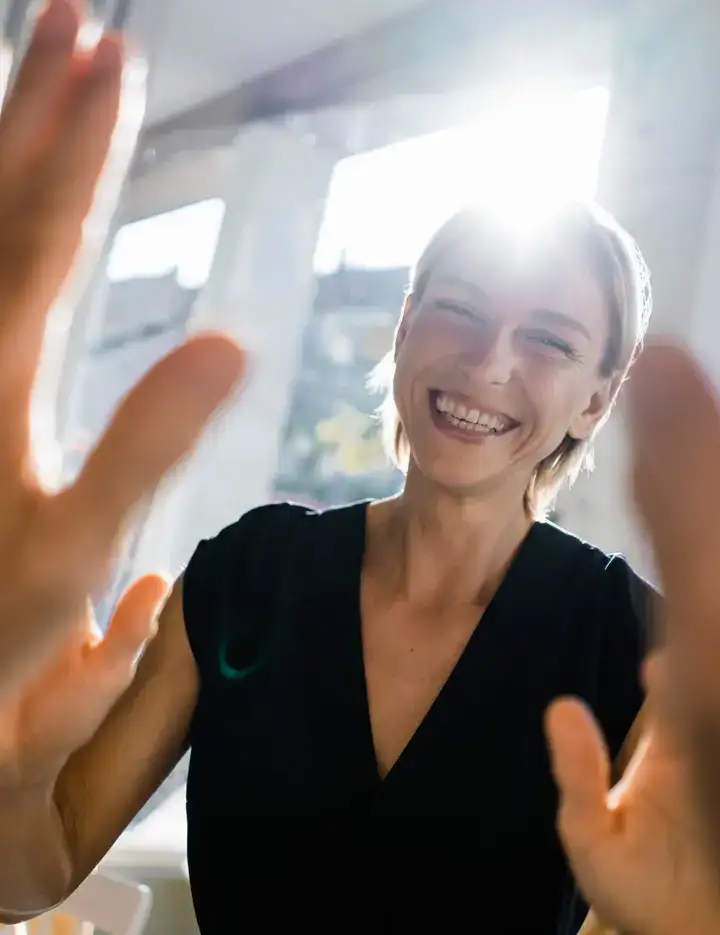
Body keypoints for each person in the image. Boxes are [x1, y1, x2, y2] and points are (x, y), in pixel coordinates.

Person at [1, 3, 720, 935]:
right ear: (407, 324)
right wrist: (13, 774)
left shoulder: (641, 647)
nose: (489, 362)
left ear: (596, 395)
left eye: (548, 338)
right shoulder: (245, 573)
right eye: (460, 309)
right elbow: (37, 868)